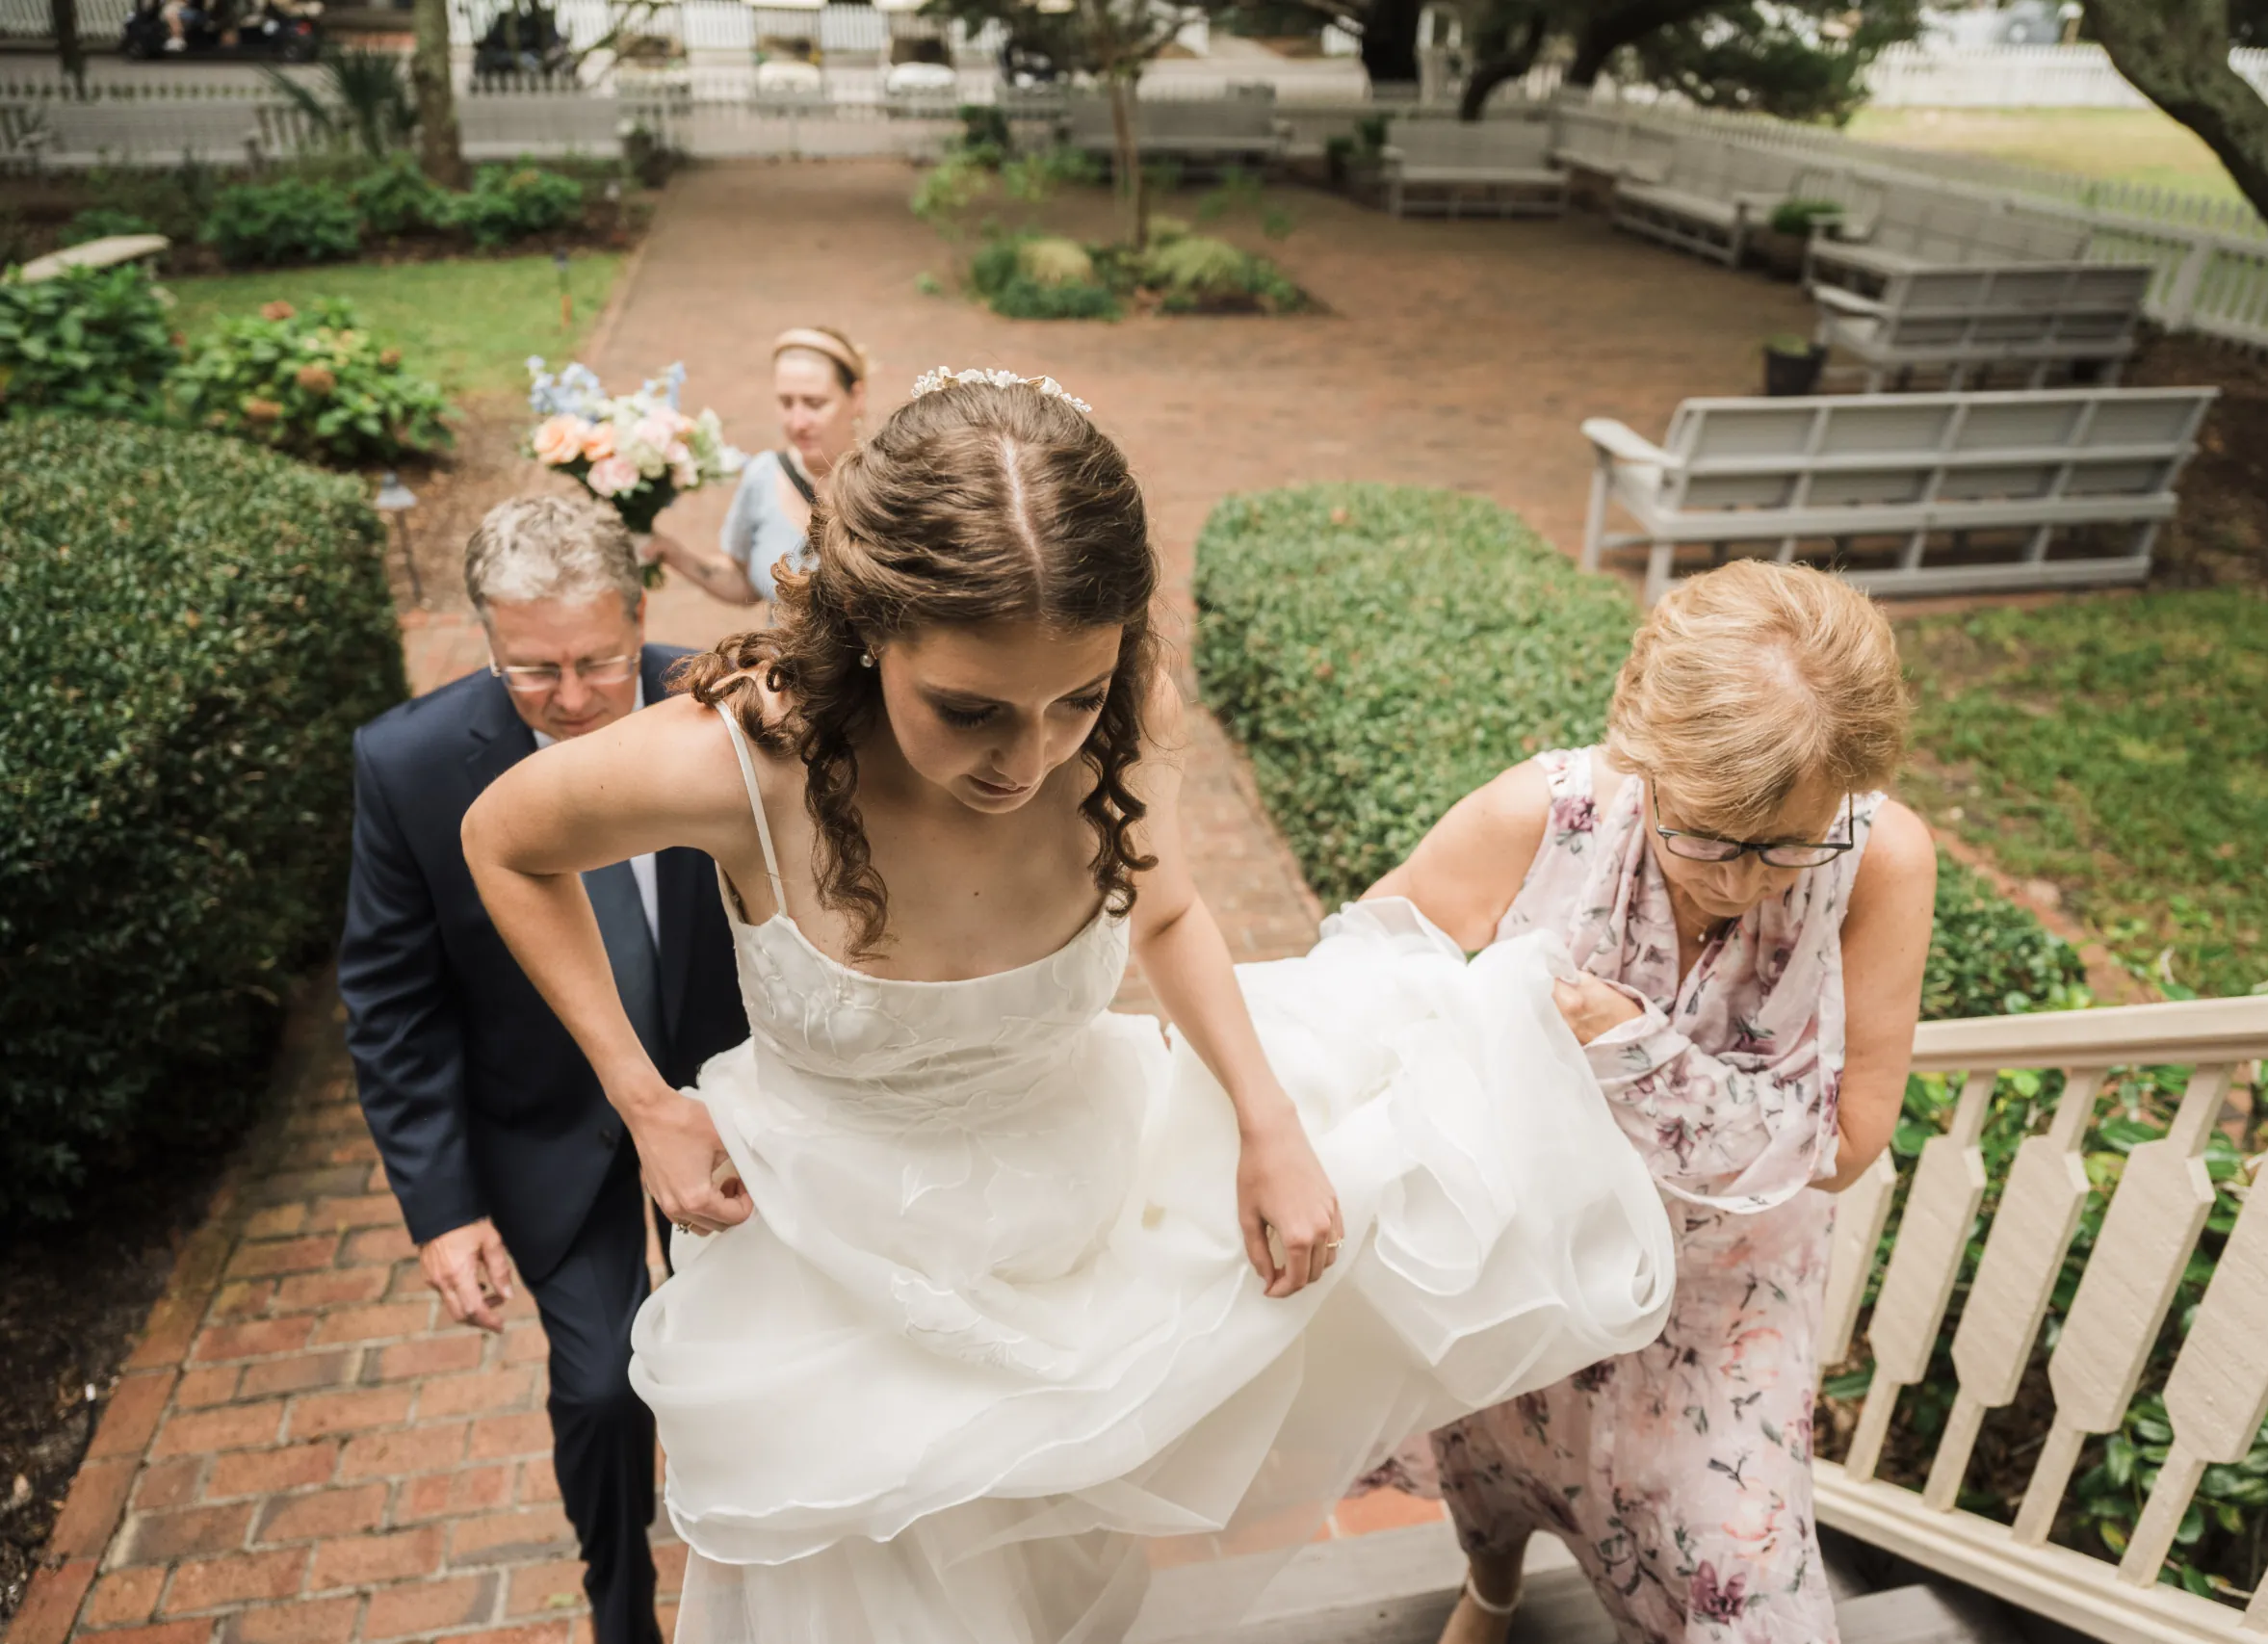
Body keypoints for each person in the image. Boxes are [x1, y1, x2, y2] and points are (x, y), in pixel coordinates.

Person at [459, 368, 1682, 1644]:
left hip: (1077, 1231)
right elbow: (503, 840)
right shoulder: (741, 761)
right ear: (873, 627)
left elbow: (1162, 911)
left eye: (1074, 699)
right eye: (969, 709)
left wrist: (1267, 1123)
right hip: (835, 1276)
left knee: (1049, 1579)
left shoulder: (1119, 727)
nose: (1028, 758)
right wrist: (641, 1097)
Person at [1361, 559, 1937, 1644]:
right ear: (1644, 750)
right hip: (1533, 1258)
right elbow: (1365, 979)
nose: (1740, 880)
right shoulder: (1542, 813)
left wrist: (1631, 1048)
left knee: (1746, 1582)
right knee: (1492, 1449)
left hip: (1724, 1299)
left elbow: (1852, 1140)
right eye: (1707, 834)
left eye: (1784, 845)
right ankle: (1490, 1589)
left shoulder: (1881, 860)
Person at [339, 496, 751, 1644]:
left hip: (735, 1107)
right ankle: (621, 1612)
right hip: (546, 1122)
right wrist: (443, 1207)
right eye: (531, 671)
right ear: (484, 636)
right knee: (600, 1390)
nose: (570, 700)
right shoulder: (408, 764)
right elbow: (391, 1001)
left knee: (759, 1363)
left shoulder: (725, 705)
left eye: (597, 663)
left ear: (639, 613)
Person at [650, 326, 870, 606]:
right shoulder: (764, 476)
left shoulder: (885, 481)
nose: (797, 422)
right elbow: (746, 585)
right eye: (786, 403)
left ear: (857, 398)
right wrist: (672, 553)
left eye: (815, 403)